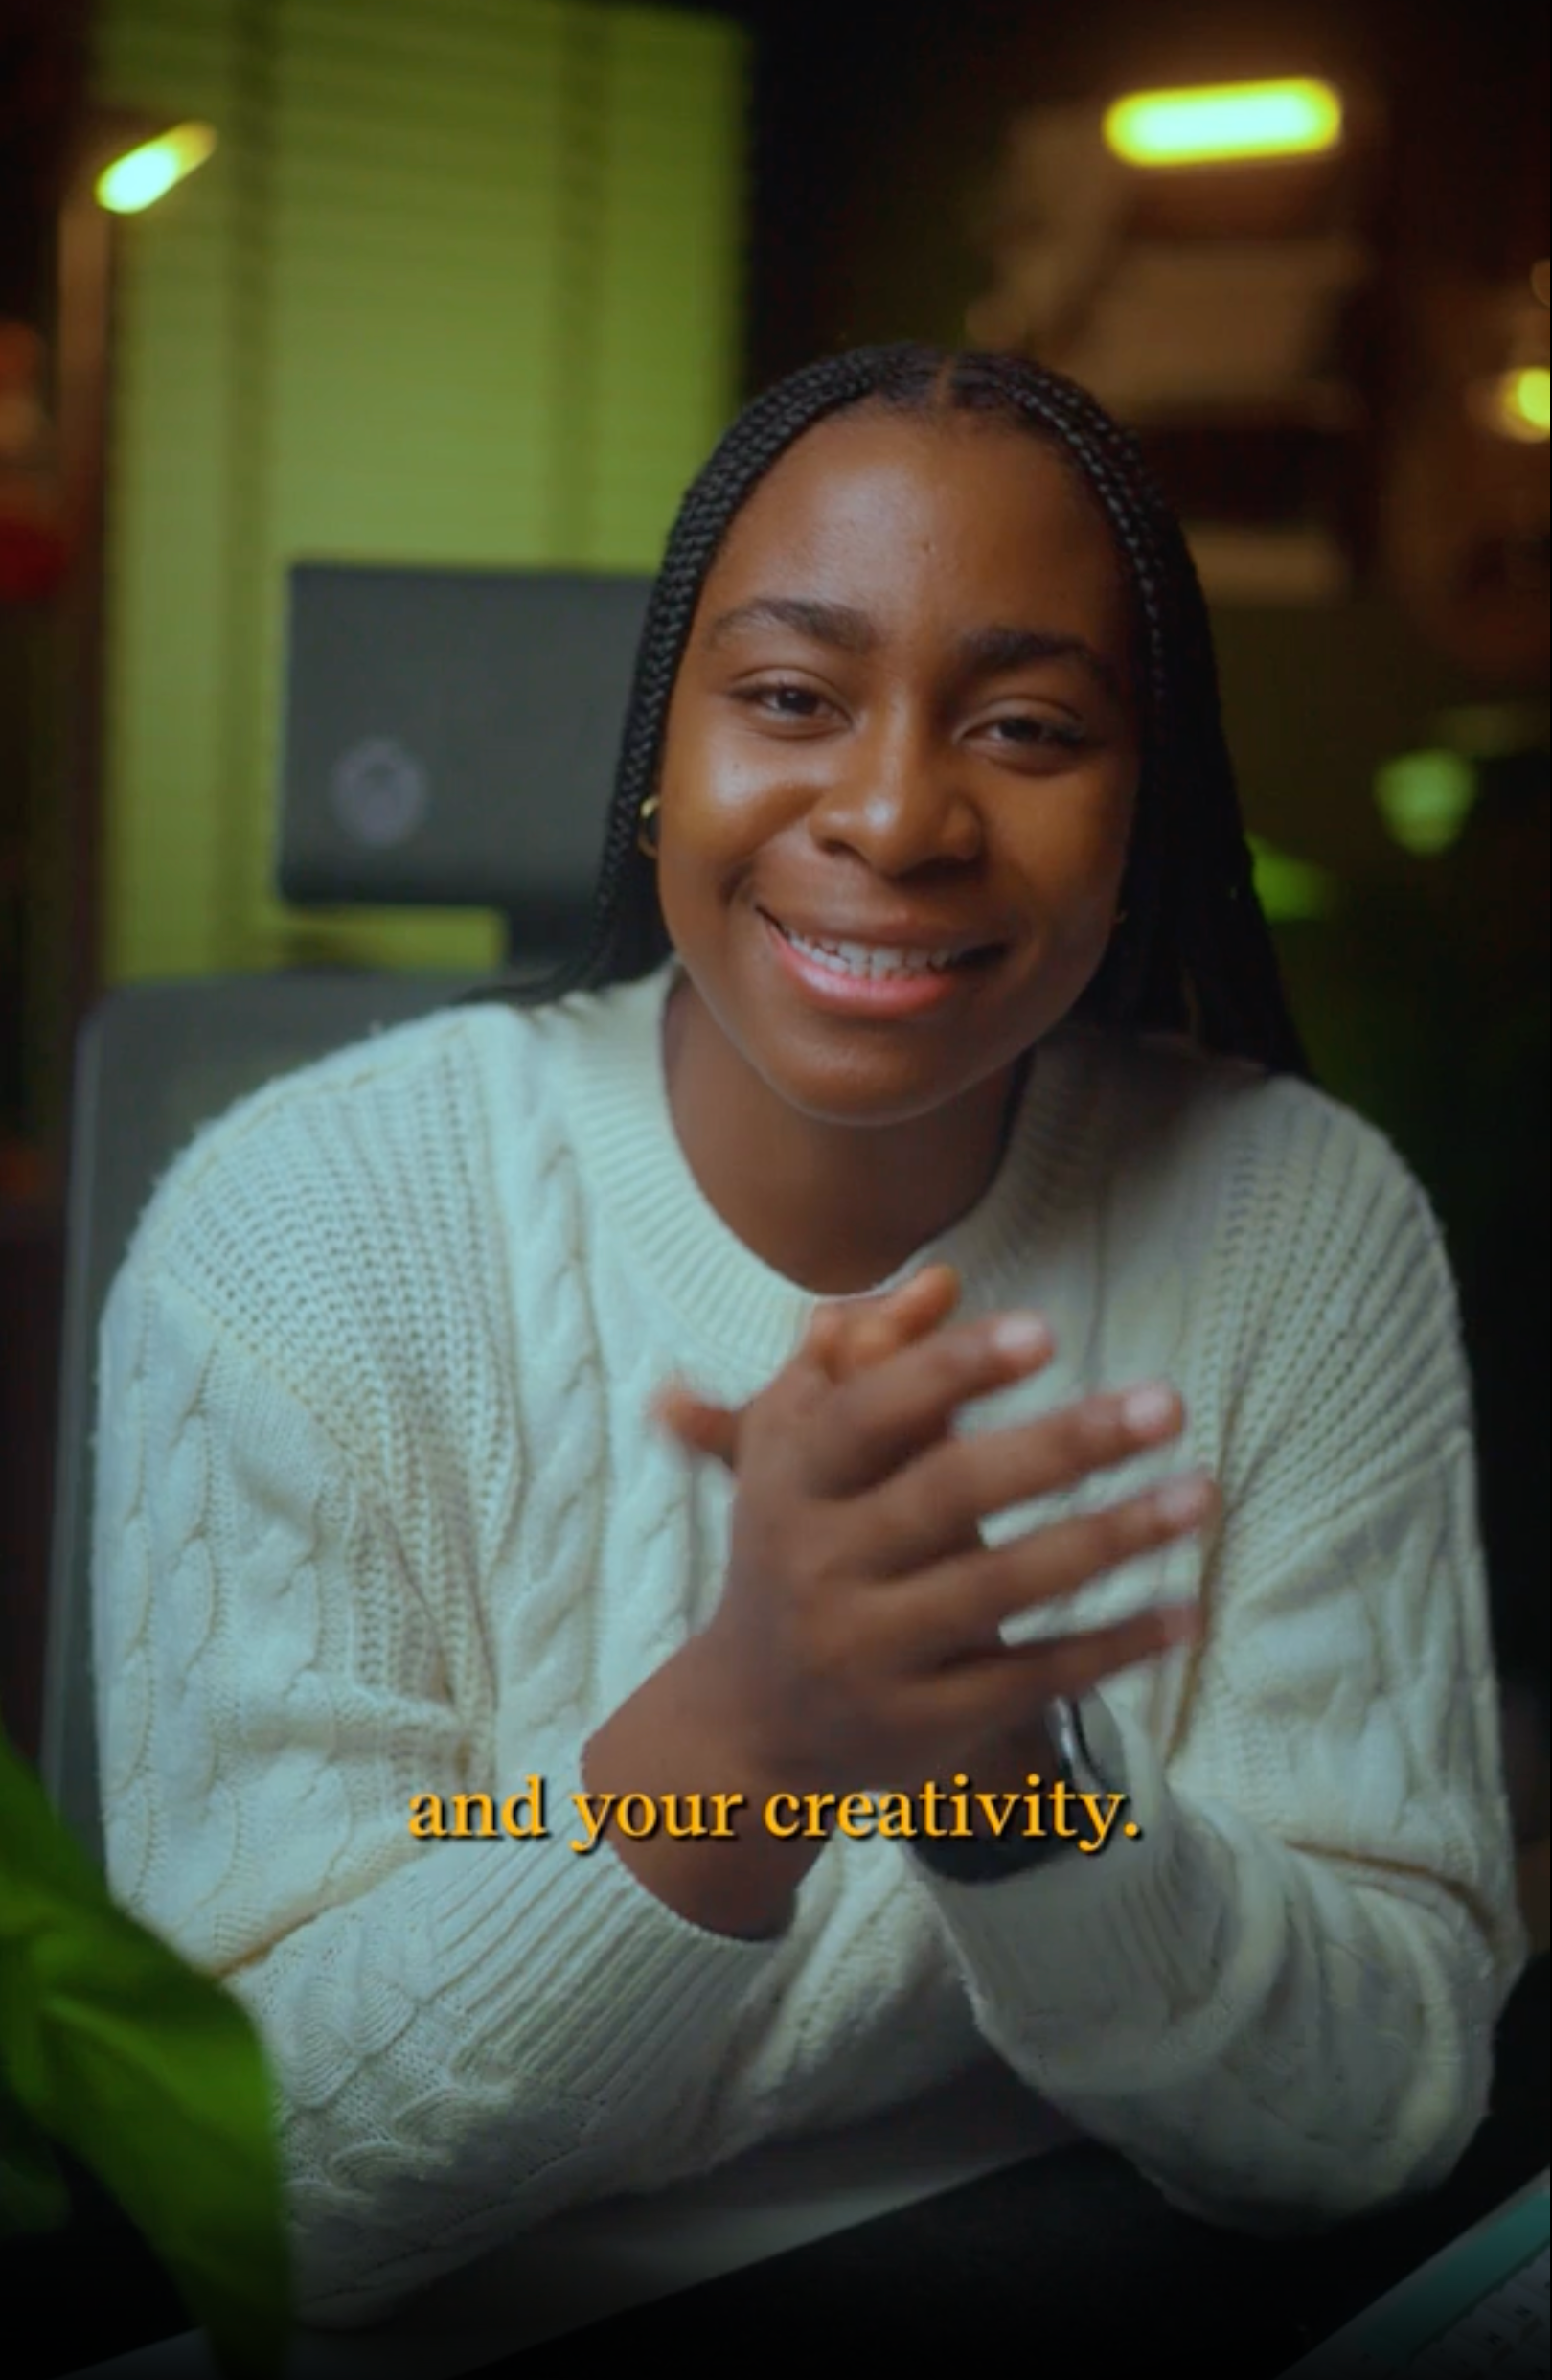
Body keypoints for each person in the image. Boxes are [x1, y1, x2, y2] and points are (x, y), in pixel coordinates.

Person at [91, 345, 1526, 2331]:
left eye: (1027, 726)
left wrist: (1012, 1787)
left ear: (1148, 808)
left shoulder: (1303, 1225)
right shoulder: (303, 1224)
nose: (893, 809)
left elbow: (1380, 2108)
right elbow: (227, 2170)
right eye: (790, 696)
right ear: (663, 746)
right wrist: (751, 1737)